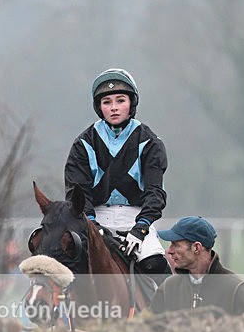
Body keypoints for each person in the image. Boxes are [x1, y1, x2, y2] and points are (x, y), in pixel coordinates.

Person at [64, 67, 171, 280]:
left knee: (158, 267)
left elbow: (155, 192)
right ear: (99, 107)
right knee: (67, 270)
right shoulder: (83, 143)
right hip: (94, 219)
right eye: (107, 102)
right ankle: (57, 313)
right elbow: (77, 193)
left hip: (136, 219)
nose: (114, 108)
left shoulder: (150, 142)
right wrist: (93, 227)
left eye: (120, 100)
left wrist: (141, 228)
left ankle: (172, 313)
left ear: (132, 103)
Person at [150, 216, 244, 316]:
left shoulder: (236, 289)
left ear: (197, 248)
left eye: (175, 245)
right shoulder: (168, 288)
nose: (169, 250)